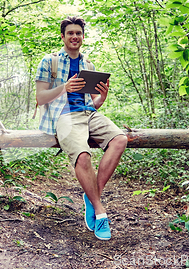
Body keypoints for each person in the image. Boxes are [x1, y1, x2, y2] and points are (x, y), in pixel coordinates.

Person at [35, 16, 127, 240]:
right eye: (70, 33)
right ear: (63, 36)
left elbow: (92, 103)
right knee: (83, 156)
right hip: (63, 116)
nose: (74, 37)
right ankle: (100, 211)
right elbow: (40, 98)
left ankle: (90, 193)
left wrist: (102, 98)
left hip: (89, 114)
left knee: (120, 139)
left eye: (78, 33)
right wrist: (63, 88)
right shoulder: (50, 61)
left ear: (83, 37)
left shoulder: (89, 65)